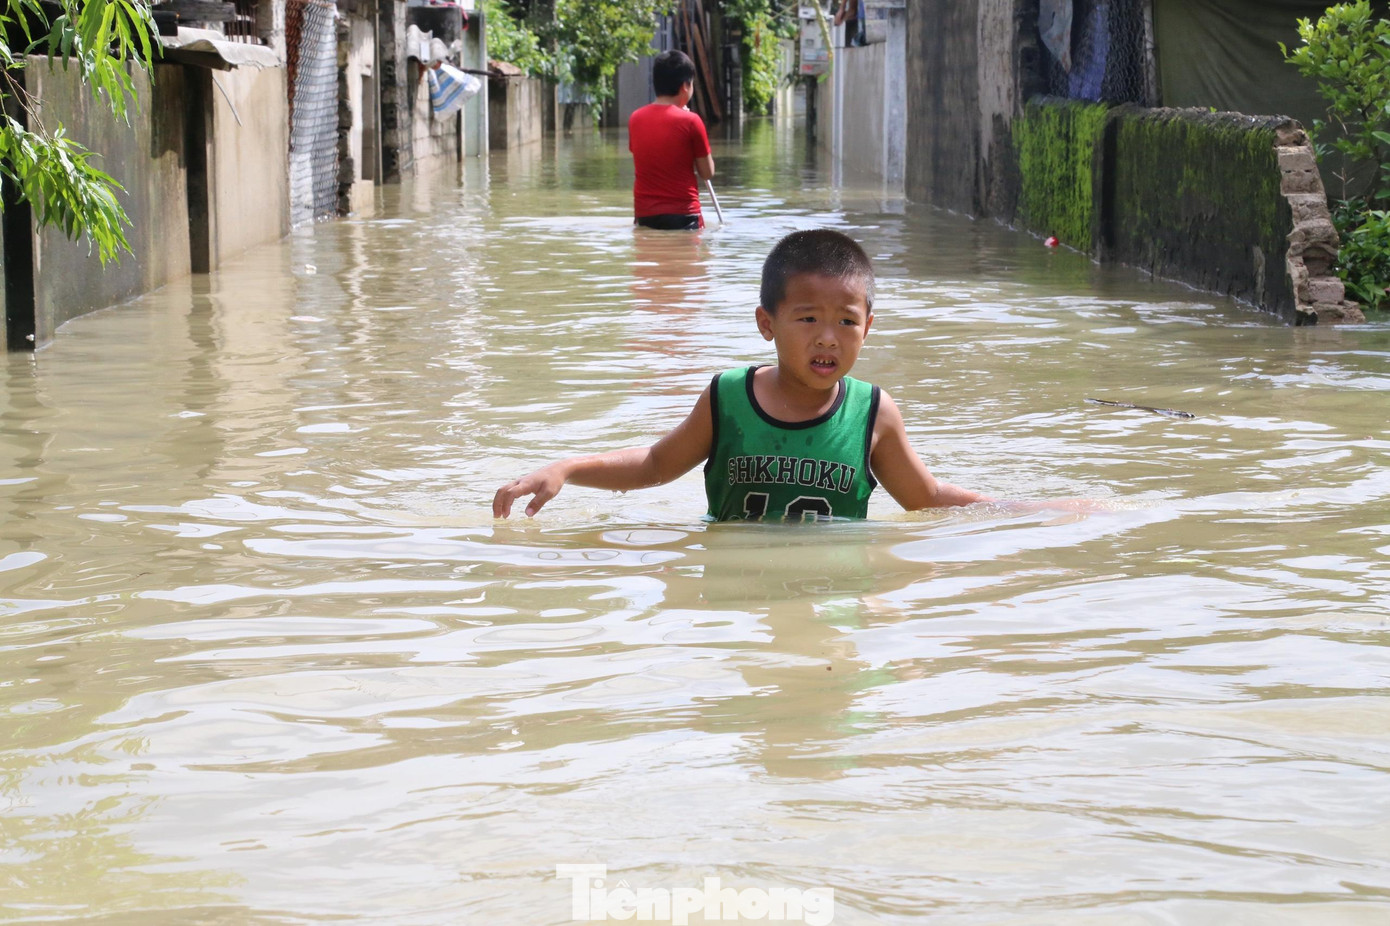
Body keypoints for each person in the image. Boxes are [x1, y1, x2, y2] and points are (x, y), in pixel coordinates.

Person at [493, 229, 992, 522]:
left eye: (846, 321)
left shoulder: (873, 413)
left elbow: (925, 499)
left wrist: (1026, 511)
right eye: (807, 318)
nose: (827, 338)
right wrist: (568, 469)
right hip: (739, 605)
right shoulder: (727, 398)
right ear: (766, 323)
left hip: (835, 595)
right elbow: (654, 465)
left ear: (868, 328)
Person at [628, 50, 715, 231]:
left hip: (645, 215)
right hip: (684, 215)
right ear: (685, 86)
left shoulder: (635, 119)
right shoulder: (691, 121)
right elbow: (707, 173)